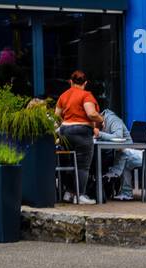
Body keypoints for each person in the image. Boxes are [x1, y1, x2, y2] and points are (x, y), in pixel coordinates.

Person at [55, 70, 102, 204]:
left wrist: (67, 121)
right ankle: (80, 195)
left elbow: (57, 114)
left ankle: (69, 193)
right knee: (82, 165)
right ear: (85, 83)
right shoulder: (86, 95)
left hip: (65, 130)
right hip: (82, 131)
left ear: (71, 82)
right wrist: (101, 119)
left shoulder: (63, 96)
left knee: (68, 162)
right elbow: (91, 114)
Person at [95, 96, 140, 200]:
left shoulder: (113, 120)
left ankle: (110, 178)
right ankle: (106, 180)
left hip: (126, 150)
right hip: (113, 151)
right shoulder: (101, 123)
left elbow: (118, 137)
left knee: (112, 159)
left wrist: (99, 134)